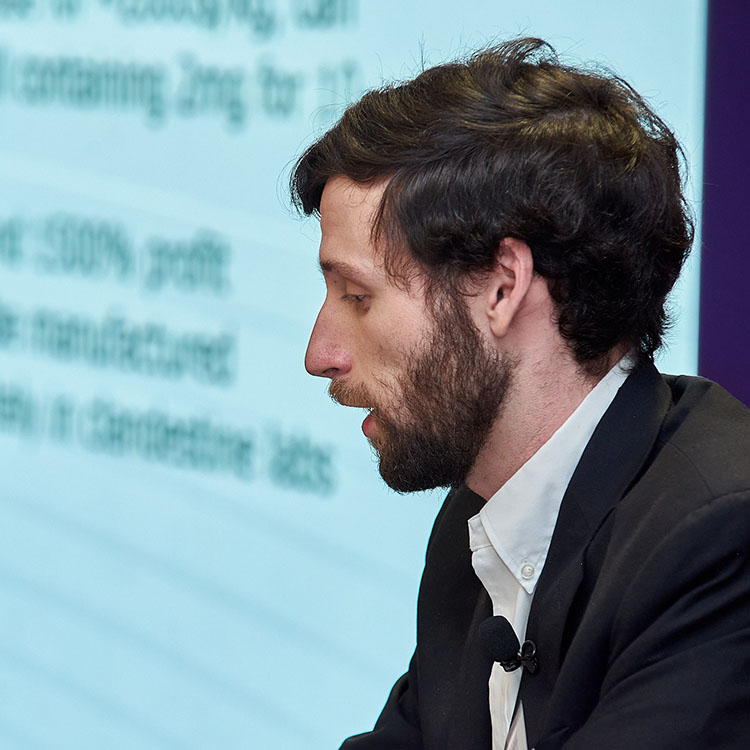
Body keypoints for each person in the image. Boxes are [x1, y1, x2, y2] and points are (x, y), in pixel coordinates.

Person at [291, 38, 750, 750]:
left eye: (359, 295)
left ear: (503, 287)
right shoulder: (476, 523)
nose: (321, 356)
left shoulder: (721, 538)